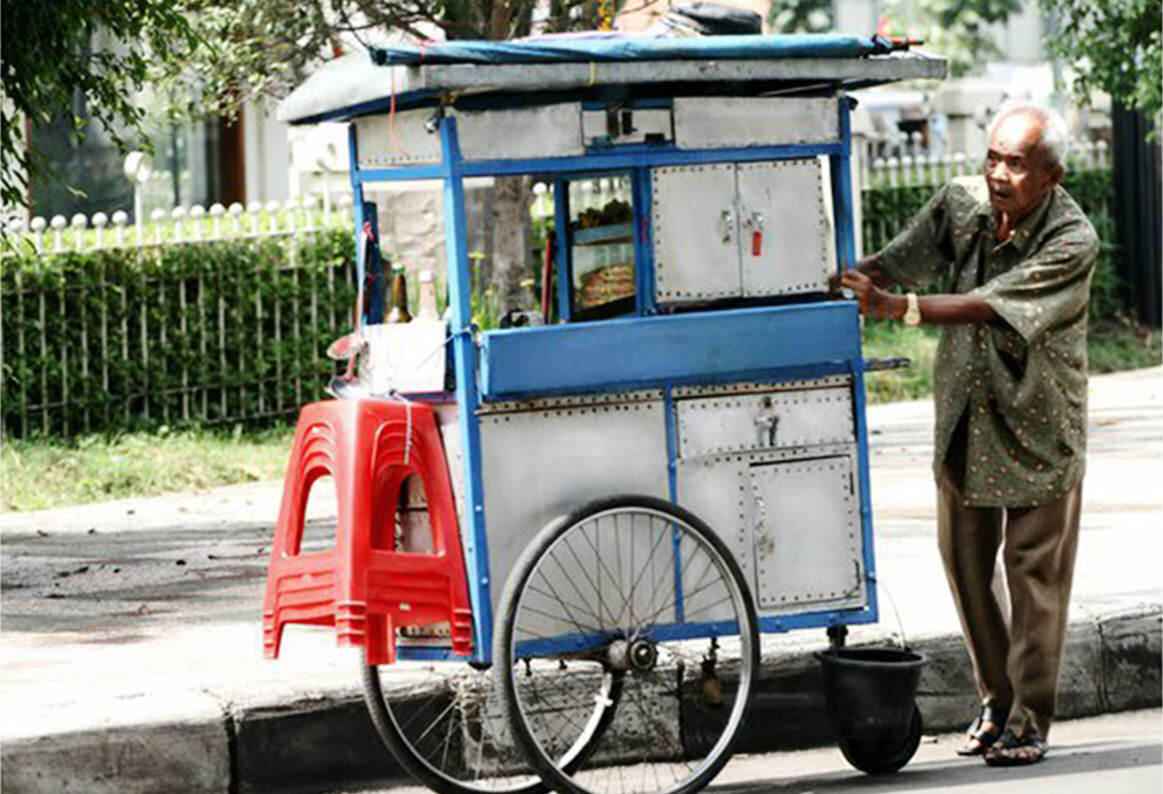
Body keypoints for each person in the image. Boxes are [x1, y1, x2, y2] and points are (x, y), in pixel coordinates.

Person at [838, 101, 1098, 766]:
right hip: (965, 415)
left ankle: (1029, 718)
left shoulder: (1071, 240)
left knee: (1031, 573)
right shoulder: (961, 206)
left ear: (1051, 175)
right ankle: (996, 697)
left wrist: (900, 309)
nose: (999, 174)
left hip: (1038, 425)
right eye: (992, 158)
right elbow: (897, 261)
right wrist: (842, 280)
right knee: (963, 563)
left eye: (1016, 163)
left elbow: (993, 304)